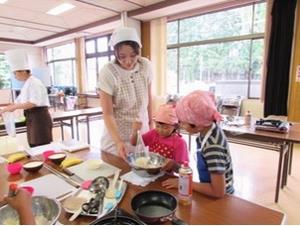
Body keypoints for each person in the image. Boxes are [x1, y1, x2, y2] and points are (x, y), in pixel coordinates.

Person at [162, 90, 234, 198]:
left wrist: (184, 183)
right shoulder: (207, 128)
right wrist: (174, 165)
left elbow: (218, 192)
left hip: (222, 200)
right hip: (208, 188)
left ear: (198, 125)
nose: (180, 125)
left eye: (182, 122)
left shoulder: (213, 148)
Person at [97, 27, 153, 159]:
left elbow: (148, 98)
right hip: (116, 136)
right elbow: (108, 113)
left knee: (141, 174)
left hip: (141, 133)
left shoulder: (146, 65)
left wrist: (151, 124)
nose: (128, 61)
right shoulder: (108, 71)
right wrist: (118, 141)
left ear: (139, 51)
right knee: (116, 174)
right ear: (115, 54)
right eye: (122, 57)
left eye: (133, 55)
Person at [0, 49, 52, 147]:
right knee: (33, 144)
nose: (15, 77)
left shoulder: (35, 83)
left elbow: (33, 103)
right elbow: (18, 102)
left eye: (15, 73)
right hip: (31, 117)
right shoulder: (27, 84)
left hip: (39, 117)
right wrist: (5, 109)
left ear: (23, 71)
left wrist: (14, 107)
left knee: (40, 146)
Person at [131, 104, 189, 172]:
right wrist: (135, 131)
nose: (160, 130)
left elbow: (183, 169)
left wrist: (173, 165)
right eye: (157, 126)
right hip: (150, 171)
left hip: (166, 176)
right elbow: (134, 143)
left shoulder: (180, 143)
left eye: (165, 127)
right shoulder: (153, 133)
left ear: (175, 126)